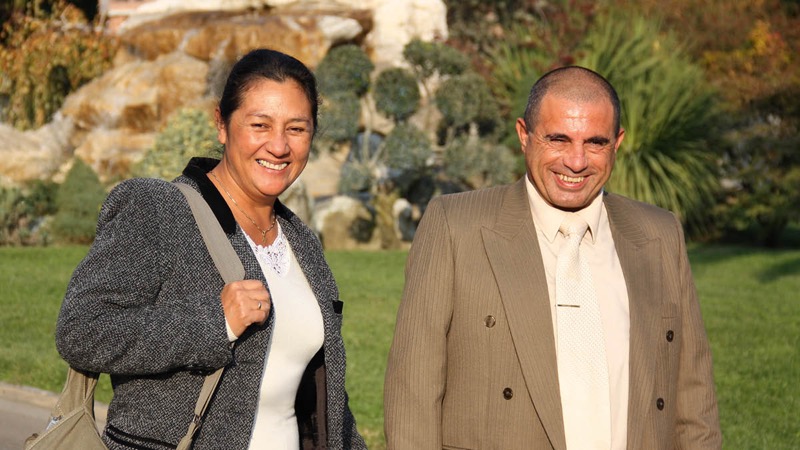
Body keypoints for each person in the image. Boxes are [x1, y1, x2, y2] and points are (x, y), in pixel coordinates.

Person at [384, 66, 721, 449]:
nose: (576, 162)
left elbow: (694, 396)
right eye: (558, 139)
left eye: (595, 142)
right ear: (524, 135)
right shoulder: (455, 226)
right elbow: (413, 391)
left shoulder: (659, 234)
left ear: (617, 143)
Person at [56, 48, 367, 450]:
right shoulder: (159, 210)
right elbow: (81, 330)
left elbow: (326, 399)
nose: (278, 146)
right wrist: (214, 323)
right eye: (260, 125)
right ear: (222, 124)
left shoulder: (301, 241)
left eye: (296, 129)